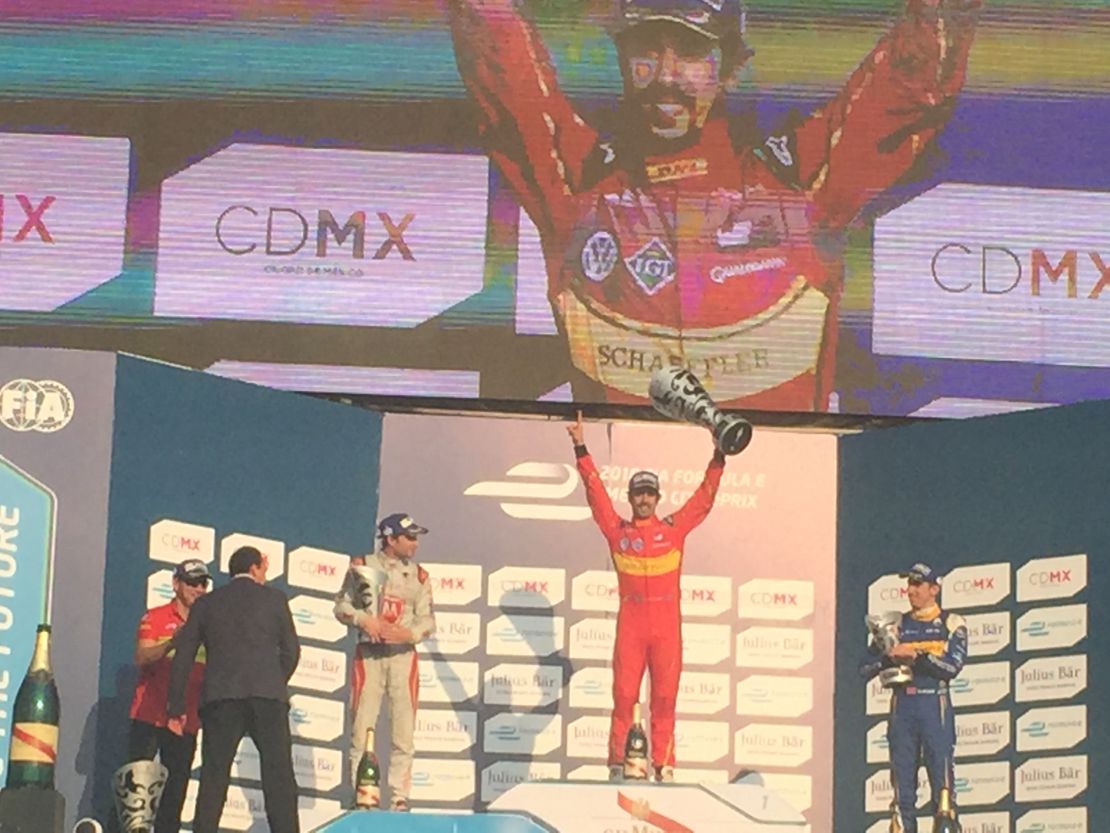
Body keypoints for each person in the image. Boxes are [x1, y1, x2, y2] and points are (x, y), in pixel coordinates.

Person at [448, 0, 981, 411]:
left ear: (730, 67)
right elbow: (499, 64)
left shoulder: (802, 187)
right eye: (646, 51)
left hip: (778, 517)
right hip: (625, 514)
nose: (665, 75)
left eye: (689, 52)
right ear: (621, 59)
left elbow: (913, 86)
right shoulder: (578, 186)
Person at [567, 411, 724, 781]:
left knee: (665, 699)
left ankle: (664, 764)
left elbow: (704, 498)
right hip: (632, 627)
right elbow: (596, 496)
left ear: (657, 498)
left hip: (667, 628)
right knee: (623, 695)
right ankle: (616, 764)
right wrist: (580, 447)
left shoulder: (673, 529)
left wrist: (719, 457)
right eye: (639, 493)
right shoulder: (617, 530)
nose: (644, 499)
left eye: (650, 493)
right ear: (631, 497)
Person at [167, 546, 301, 833]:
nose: (264, 575)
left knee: (214, 777)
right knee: (279, 777)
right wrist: (275, 680)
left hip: (221, 697)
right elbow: (292, 651)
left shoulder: (206, 604)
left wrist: (176, 707)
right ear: (254, 568)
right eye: (263, 569)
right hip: (268, 697)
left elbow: (183, 656)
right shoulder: (275, 599)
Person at [334, 513, 436, 812]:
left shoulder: (419, 576)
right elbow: (341, 606)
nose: (415, 544)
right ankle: (362, 795)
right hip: (370, 656)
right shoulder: (362, 565)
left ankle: (399, 797)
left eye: (416, 537)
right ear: (391, 539)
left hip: (403, 657)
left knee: (403, 730)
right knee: (362, 727)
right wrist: (365, 620)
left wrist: (409, 632)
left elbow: (428, 619)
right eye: (410, 537)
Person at [860, 563, 967, 833]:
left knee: (943, 795)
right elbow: (863, 669)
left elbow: (952, 667)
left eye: (918, 585)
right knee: (902, 795)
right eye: (909, 584)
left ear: (934, 589)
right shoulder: (896, 624)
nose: (911, 591)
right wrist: (887, 656)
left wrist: (917, 657)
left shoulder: (951, 623)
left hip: (935, 705)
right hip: (903, 707)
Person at [125, 559, 210, 833]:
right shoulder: (156, 617)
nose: (198, 588)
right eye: (192, 582)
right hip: (149, 716)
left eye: (203, 583)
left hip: (186, 721)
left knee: (174, 797)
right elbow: (141, 656)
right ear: (176, 584)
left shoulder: (209, 626)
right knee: (135, 797)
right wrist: (174, 642)